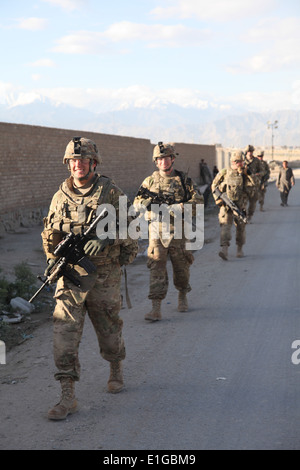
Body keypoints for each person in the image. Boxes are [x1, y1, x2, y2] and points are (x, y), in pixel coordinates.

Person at [41, 137, 138, 420]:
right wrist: (52, 259)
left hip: (103, 277)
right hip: (70, 276)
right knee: (63, 336)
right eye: (73, 160)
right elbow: (50, 232)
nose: (77, 165)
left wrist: (107, 239)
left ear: (93, 163)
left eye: (83, 160)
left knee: (109, 333)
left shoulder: (110, 192)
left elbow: (133, 230)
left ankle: (115, 367)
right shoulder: (60, 196)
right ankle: (67, 395)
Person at [133, 142, 203, 322]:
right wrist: (146, 207)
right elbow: (137, 204)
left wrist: (178, 207)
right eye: (159, 159)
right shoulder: (149, 182)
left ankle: (182, 294)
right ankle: (155, 308)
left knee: (181, 269)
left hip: (179, 233)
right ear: (155, 161)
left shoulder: (184, 180)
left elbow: (199, 203)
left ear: (172, 159)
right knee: (156, 269)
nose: (163, 162)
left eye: (166, 158)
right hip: (157, 233)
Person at [211, 151, 256, 260]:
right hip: (226, 206)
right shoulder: (225, 172)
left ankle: (239, 249)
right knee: (225, 227)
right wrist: (218, 199)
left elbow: (255, 185)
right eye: (236, 161)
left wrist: (248, 174)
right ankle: (224, 250)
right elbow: (214, 185)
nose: (238, 164)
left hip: (240, 206)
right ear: (232, 161)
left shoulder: (246, 173)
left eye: (240, 161)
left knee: (240, 228)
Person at [243, 145, 264, 222]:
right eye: (248, 151)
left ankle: (250, 216)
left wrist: (258, 175)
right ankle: (244, 216)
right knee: (243, 203)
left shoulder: (256, 161)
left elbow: (262, 171)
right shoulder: (242, 160)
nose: (250, 153)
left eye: (251, 151)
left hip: (254, 185)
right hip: (244, 185)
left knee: (252, 203)